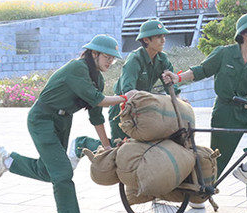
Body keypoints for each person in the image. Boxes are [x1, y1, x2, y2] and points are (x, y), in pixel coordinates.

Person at [0, 34, 129, 213]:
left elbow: (96, 114)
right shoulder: (78, 68)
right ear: (94, 53)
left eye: (113, 58)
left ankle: (9, 161)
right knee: (63, 171)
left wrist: (107, 146)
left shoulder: (97, 79)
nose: (110, 61)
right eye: (107, 56)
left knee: (49, 172)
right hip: (42, 119)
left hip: (63, 121)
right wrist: (126, 97)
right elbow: (97, 99)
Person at [163, 13, 247, 193]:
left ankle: (246, 169)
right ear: (244, 34)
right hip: (225, 111)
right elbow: (201, 70)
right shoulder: (224, 53)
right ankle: (196, 193)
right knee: (218, 161)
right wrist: (177, 78)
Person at [69, 19, 179, 158]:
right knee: (119, 148)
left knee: (142, 147)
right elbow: (129, 90)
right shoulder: (135, 59)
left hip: (143, 108)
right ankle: (82, 144)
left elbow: (171, 84)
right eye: (159, 37)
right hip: (122, 108)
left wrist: (178, 100)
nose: (163, 40)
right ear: (146, 40)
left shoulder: (162, 59)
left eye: (164, 36)